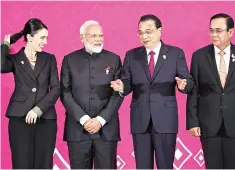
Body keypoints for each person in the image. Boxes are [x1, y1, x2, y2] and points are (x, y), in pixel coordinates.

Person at [111, 14, 194, 169]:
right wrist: (121, 86)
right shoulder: (131, 55)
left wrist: (184, 85)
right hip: (140, 119)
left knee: (165, 165)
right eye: (141, 32)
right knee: (142, 166)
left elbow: (188, 81)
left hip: (165, 120)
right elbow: (127, 82)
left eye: (148, 32)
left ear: (159, 30)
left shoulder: (175, 53)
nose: (144, 36)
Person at [60, 20, 123, 169]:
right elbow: (65, 92)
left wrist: (100, 120)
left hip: (106, 129)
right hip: (77, 130)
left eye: (100, 35)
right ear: (82, 38)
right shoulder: (69, 60)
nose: (98, 39)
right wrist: (84, 119)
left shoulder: (114, 59)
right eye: (93, 35)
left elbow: (118, 93)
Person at [1, 18, 60, 169]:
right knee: (21, 163)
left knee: (44, 163)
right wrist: (6, 44)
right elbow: (1, 66)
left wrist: (37, 109)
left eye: (46, 37)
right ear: (29, 37)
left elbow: (56, 88)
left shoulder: (49, 59)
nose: (45, 42)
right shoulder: (15, 59)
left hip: (45, 119)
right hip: (19, 118)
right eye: (42, 37)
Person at [187, 13, 235, 169]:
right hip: (209, 123)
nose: (214, 35)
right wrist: (193, 122)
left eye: (219, 31)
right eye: (211, 30)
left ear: (230, 32)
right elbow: (193, 91)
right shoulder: (199, 56)